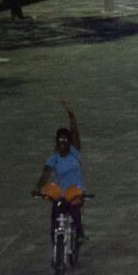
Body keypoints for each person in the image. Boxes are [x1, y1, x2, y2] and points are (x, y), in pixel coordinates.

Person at [32, 101, 87, 241]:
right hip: (62, 192)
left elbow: (75, 133)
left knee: (74, 210)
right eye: (59, 140)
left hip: (76, 190)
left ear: (69, 142)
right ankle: (54, 237)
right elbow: (46, 174)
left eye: (65, 140)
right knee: (55, 211)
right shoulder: (53, 158)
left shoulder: (75, 153)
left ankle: (80, 234)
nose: (62, 143)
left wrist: (72, 117)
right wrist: (38, 188)